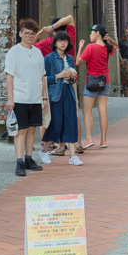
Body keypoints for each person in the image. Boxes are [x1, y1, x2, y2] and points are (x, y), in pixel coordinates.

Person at [33, 15, 84, 156]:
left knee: (68, 116)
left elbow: (31, 46)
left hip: (67, 86)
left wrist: (40, 33)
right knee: (64, 117)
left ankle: (61, 147)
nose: (63, 42)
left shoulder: (48, 42)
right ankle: (72, 144)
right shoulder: (70, 37)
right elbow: (71, 18)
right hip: (56, 86)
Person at [5, 19, 49, 177]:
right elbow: (9, 77)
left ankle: (29, 158)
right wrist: (10, 99)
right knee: (21, 131)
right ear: (20, 34)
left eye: (32, 34)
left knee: (32, 129)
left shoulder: (37, 52)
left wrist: (44, 98)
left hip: (35, 98)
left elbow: (42, 76)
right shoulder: (14, 52)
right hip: (20, 97)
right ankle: (19, 161)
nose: (30, 36)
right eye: (27, 33)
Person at [43, 31, 83, 166]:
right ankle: (44, 150)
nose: (63, 43)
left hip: (69, 92)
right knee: (56, 124)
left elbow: (73, 77)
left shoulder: (70, 58)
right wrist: (59, 75)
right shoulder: (49, 58)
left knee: (71, 123)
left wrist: (72, 77)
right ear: (55, 43)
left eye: (65, 41)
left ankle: (72, 156)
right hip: (55, 94)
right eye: (60, 41)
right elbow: (44, 79)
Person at [76, 24, 116, 149]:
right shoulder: (108, 48)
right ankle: (103, 140)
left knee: (87, 111)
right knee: (102, 110)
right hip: (105, 81)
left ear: (97, 33)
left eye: (92, 32)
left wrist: (80, 48)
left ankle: (89, 139)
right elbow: (116, 45)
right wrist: (108, 39)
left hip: (91, 82)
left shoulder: (90, 47)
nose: (90, 35)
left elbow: (78, 62)